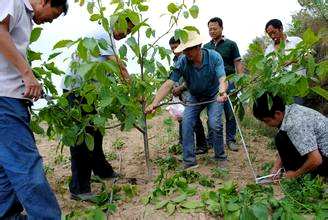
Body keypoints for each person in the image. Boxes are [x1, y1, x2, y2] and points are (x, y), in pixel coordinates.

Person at [0, 0, 68, 219]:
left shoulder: (24, 16)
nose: (48, 22)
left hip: (9, 99)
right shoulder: (14, 1)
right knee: (26, 166)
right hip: (5, 100)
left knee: (5, 170)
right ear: (44, 1)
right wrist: (27, 74)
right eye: (52, 15)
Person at [62, 21, 133, 201]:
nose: (127, 35)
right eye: (128, 29)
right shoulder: (103, 34)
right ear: (119, 22)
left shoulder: (108, 38)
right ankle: (79, 189)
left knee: (96, 133)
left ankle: (102, 171)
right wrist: (133, 90)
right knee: (82, 139)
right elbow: (118, 66)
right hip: (76, 90)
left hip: (89, 92)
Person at [146, 31, 228, 169]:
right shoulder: (182, 61)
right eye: (185, 50)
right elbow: (169, 83)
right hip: (195, 96)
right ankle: (189, 161)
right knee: (187, 123)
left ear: (199, 46)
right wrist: (155, 103)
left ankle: (220, 156)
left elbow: (222, 78)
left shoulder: (214, 57)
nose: (187, 53)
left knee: (215, 123)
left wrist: (222, 92)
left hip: (215, 95)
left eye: (190, 49)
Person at [253, 93, 328, 179]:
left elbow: (316, 160)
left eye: (267, 121)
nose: (267, 124)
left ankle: (300, 178)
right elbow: (286, 147)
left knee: (281, 138)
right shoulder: (290, 110)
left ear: (277, 114)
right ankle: (296, 174)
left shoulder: (295, 124)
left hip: (324, 157)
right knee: (283, 138)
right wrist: (276, 168)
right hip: (322, 151)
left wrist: (295, 174)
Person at [203, 17, 243, 151]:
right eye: (210, 29)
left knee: (230, 111)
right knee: (212, 113)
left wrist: (240, 80)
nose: (212, 31)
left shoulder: (231, 44)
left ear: (221, 28)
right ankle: (212, 140)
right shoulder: (206, 47)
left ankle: (231, 140)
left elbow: (237, 63)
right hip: (212, 85)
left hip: (229, 81)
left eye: (214, 28)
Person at [169, 37, 207, 154]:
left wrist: (180, 88)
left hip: (189, 93)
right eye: (172, 48)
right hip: (180, 95)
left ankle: (202, 145)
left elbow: (192, 79)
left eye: (176, 47)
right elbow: (173, 79)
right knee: (182, 119)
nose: (175, 50)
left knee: (194, 119)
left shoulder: (188, 59)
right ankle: (182, 143)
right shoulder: (176, 61)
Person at [264, 19, 305, 104]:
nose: (272, 36)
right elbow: (268, 69)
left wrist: (292, 61)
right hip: (278, 91)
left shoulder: (296, 41)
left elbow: (308, 57)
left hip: (296, 87)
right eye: (269, 34)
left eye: (274, 32)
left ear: (281, 28)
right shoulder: (268, 50)